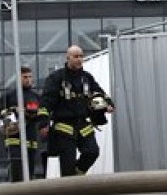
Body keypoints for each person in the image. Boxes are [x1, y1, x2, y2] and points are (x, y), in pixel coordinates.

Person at [38, 46, 114, 176]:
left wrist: (108, 104)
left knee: (92, 152)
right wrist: (43, 124)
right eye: (76, 56)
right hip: (64, 127)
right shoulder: (56, 78)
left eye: (81, 56)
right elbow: (46, 102)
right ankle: (69, 187)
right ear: (68, 58)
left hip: (84, 124)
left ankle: (77, 175)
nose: (79, 59)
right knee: (67, 164)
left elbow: (99, 93)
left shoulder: (87, 77)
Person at [0, 66, 41, 182]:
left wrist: (31, 114)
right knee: (16, 162)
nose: (28, 79)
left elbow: (41, 115)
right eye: (25, 77)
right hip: (13, 135)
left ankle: (28, 192)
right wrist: (14, 111)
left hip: (30, 136)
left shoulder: (36, 96)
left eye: (30, 77)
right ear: (19, 78)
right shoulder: (8, 95)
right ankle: (14, 191)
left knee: (30, 167)